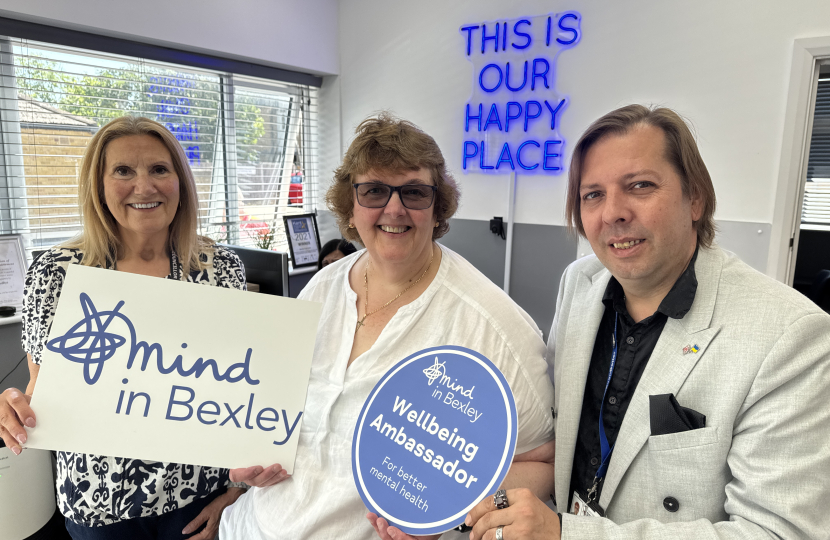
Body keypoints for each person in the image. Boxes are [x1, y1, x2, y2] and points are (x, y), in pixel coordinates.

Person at [465, 104, 830, 539]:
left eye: (640, 186)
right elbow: (557, 434)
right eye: (593, 194)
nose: (612, 213)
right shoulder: (579, 284)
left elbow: (777, 533)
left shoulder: (788, 335)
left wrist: (568, 534)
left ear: (695, 198)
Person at [220, 113, 557, 540]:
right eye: (374, 191)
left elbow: (544, 463)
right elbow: (276, 405)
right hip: (248, 526)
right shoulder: (322, 287)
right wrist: (250, 455)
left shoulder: (493, 324)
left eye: (414, 192)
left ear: (437, 207)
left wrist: (443, 514)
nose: (394, 209)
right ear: (351, 205)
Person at [0, 116, 248, 539]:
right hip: (100, 504)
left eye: (159, 169)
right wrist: (12, 404)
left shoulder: (219, 269)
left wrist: (236, 492)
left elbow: (243, 391)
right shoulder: (57, 273)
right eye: (123, 171)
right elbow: (43, 390)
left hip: (199, 497)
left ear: (180, 182)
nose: (144, 187)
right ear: (99, 186)